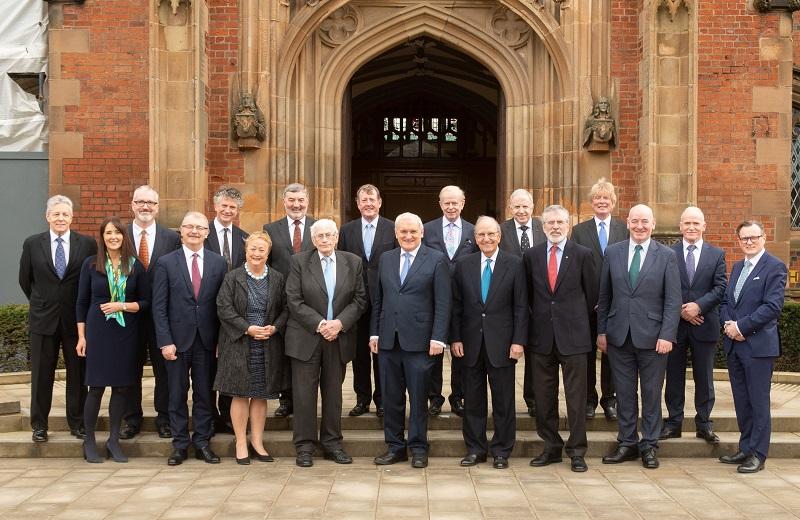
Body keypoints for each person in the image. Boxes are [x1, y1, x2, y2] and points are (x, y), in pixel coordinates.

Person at [597, 204, 681, 470]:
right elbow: (604, 296)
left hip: (654, 339)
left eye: (645, 221)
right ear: (628, 223)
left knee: (651, 393)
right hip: (619, 336)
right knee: (624, 393)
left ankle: (650, 445)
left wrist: (667, 334)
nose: (640, 226)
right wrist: (602, 332)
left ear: (653, 224)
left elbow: (672, 299)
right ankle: (627, 442)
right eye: (635, 221)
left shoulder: (666, 255)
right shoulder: (613, 252)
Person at [371, 212, 451, 469]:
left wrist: (438, 337)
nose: (407, 236)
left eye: (412, 232)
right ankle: (395, 447)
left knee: (418, 398)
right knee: (391, 397)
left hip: (420, 342)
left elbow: (443, 302)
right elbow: (379, 300)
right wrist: (375, 333)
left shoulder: (437, 259)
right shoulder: (386, 258)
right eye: (403, 232)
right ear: (396, 233)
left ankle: (418, 447)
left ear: (422, 233)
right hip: (388, 341)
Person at [285, 219, 368, 467]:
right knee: (303, 396)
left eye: (329, 235)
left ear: (336, 237)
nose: (324, 240)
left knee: (333, 395)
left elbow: (360, 299)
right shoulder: (299, 261)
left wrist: (339, 324)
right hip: (306, 337)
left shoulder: (352, 262)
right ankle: (305, 446)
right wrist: (322, 324)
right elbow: (294, 299)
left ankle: (332, 443)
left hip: (338, 337)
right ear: (313, 240)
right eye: (319, 236)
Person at [450, 216, 527, 470]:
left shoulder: (514, 265)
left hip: (503, 344)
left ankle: (502, 450)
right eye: (481, 235)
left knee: (504, 401)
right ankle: (475, 449)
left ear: (499, 236)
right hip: (470, 343)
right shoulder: (464, 265)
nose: (486, 239)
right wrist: (456, 337)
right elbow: (456, 305)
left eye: (491, 234)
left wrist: (518, 341)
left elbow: (520, 307)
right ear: (475, 238)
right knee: (473, 400)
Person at [152, 211, 229, 466]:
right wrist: (165, 341)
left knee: (205, 394)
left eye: (199, 227)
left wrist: (220, 340)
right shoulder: (166, 262)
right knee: (176, 394)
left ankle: (202, 442)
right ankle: (180, 444)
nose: (194, 231)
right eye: (189, 227)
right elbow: (159, 306)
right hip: (176, 341)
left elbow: (222, 306)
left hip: (207, 342)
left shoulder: (219, 263)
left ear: (207, 233)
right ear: (181, 231)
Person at [19, 195, 97, 443]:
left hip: (76, 321)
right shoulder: (33, 244)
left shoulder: (86, 244)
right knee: (42, 375)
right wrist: (42, 301)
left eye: (65, 214)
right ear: (47, 217)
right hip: (43, 319)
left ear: (72, 217)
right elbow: (25, 280)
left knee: (78, 373)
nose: (60, 218)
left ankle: (78, 423)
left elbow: (91, 281)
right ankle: (39, 425)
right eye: (56, 214)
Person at [525, 205, 596, 473]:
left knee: (576, 399)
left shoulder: (582, 254)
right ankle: (551, 446)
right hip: (541, 337)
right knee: (544, 397)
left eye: (560, 222)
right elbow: (528, 295)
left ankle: (577, 451)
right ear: (543, 227)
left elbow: (591, 296)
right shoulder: (531, 256)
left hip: (574, 337)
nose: (555, 227)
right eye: (550, 222)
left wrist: (573, 318)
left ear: (568, 225)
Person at [75, 216, 149, 463]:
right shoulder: (90, 265)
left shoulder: (135, 265)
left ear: (124, 236)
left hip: (125, 332)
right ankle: (89, 442)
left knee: (121, 388)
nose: (113, 237)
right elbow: (81, 303)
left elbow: (146, 302)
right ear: (102, 237)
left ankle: (114, 440)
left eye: (117, 233)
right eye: (108, 233)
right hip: (98, 331)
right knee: (95, 387)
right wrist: (81, 337)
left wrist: (123, 305)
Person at [718, 220, 787, 473]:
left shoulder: (775, 267)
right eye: (744, 238)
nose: (749, 242)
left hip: (758, 347)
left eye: (753, 237)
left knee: (758, 402)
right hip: (735, 346)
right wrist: (728, 325)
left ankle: (758, 453)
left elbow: (772, 307)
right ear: (739, 241)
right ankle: (745, 447)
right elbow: (726, 301)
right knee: (742, 401)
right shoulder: (737, 267)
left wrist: (741, 327)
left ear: (764, 237)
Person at [214, 231, 287, 465]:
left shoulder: (277, 278)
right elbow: (223, 308)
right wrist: (247, 328)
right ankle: (240, 442)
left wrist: (275, 328)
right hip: (239, 342)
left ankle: (257, 441)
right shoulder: (232, 277)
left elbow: (286, 308)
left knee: (260, 394)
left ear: (268, 253)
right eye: (252, 249)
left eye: (261, 249)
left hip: (267, 343)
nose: (256, 253)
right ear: (246, 251)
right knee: (240, 393)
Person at [660, 207, 726, 444]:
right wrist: (681, 310)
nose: (691, 227)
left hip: (704, 324)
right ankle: (673, 423)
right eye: (687, 223)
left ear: (704, 226)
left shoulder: (716, 254)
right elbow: (662, 287)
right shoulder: (668, 253)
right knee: (673, 376)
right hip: (675, 326)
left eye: (696, 223)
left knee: (705, 378)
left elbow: (720, 288)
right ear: (680, 226)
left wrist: (697, 306)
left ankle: (704, 424)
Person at [122, 185, 181, 440]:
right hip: (128, 314)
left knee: (164, 371)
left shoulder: (171, 237)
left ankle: (164, 418)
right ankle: (131, 418)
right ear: (132, 204)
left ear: (157, 207)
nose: (145, 207)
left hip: (162, 316)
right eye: (140, 202)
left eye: (150, 203)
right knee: (129, 368)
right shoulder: (119, 234)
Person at [570, 177, 628, 420]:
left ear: (613, 202)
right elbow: (574, 269)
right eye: (597, 198)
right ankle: (589, 400)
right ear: (591, 203)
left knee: (611, 353)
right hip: (586, 304)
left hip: (616, 305)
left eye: (606, 198)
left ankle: (610, 399)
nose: (602, 201)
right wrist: (587, 300)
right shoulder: (579, 231)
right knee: (585, 354)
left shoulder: (624, 229)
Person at [338, 184, 397, 417]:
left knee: (383, 353)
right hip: (355, 301)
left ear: (380, 202)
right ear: (358, 203)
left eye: (372, 199)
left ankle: (382, 400)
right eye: (364, 200)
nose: (368, 204)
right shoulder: (347, 230)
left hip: (384, 301)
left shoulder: (392, 228)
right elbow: (342, 264)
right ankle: (362, 399)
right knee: (360, 354)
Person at [263, 183, 317, 417]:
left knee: (307, 353)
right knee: (284, 352)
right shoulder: (270, 229)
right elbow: (266, 263)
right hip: (281, 301)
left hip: (311, 302)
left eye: (301, 200)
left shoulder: (319, 228)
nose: (296, 205)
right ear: (284, 201)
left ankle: (306, 400)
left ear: (308, 201)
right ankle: (286, 401)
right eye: (292, 200)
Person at [422, 185, 477, 417]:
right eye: (447, 202)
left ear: (463, 203)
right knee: (433, 350)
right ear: (440, 203)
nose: (451, 206)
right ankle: (434, 397)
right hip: (433, 299)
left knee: (460, 351)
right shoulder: (426, 229)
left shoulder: (474, 231)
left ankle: (458, 396)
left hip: (465, 302)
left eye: (455, 202)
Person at [206, 185, 250, 435]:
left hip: (233, 315)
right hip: (205, 311)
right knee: (207, 367)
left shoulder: (243, 237)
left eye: (232, 207)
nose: (228, 210)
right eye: (224, 205)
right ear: (215, 206)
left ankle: (226, 415)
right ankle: (209, 416)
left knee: (230, 365)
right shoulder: (202, 232)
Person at [498, 188, 545, 417]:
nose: (521, 211)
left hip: (538, 303)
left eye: (525, 206)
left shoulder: (543, 228)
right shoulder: (500, 231)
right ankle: (504, 404)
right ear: (510, 208)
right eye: (517, 206)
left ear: (532, 207)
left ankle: (533, 399)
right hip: (508, 303)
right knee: (508, 352)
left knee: (536, 354)